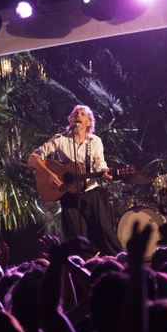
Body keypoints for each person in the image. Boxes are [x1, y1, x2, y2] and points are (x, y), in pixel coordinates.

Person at [28, 105, 122, 256]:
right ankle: (81, 272)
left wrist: (104, 172)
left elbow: (100, 163)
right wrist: (50, 175)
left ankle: (123, 263)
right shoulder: (60, 139)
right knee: (77, 240)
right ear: (71, 120)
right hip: (69, 197)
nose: (78, 115)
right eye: (75, 114)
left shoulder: (95, 141)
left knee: (105, 234)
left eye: (82, 114)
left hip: (91, 194)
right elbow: (33, 158)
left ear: (89, 122)